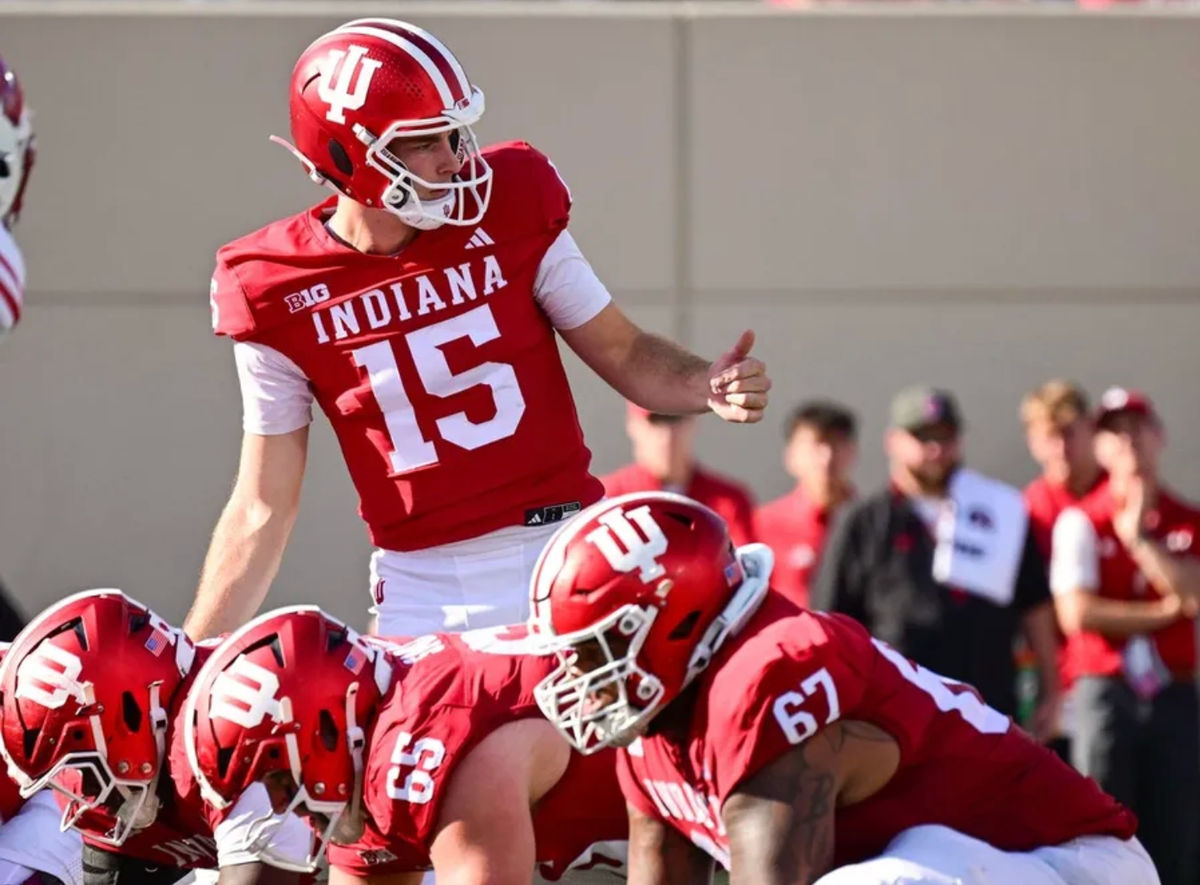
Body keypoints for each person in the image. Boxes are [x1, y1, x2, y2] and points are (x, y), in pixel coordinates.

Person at [188, 18, 770, 640]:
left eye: (454, 135)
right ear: (347, 156)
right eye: (425, 142)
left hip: (566, 552)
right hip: (423, 591)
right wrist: (192, 657)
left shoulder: (512, 207)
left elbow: (623, 351)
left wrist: (702, 382)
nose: (454, 159)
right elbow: (263, 505)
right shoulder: (276, 287)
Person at [527, 491, 1157, 885]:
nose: (581, 678)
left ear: (676, 620)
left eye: (594, 650)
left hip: (1070, 865)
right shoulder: (654, 723)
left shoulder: (768, 674)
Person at [183, 607, 627, 883]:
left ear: (327, 728)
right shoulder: (369, 738)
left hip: (686, 812)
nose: (279, 804)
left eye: (277, 777)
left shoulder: (434, 735)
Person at [0, 590, 312, 884]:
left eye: (83, 764)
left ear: (133, 719)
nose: (81, 789)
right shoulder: (93, 774)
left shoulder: (232, 739)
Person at [811, 385, 1061, 736]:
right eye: (923, 438)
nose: (936, 450)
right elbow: (831, 621)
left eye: (946, 437)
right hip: (896, 715)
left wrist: (1051, 690)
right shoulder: (863, 520)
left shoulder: (997, 509)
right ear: (893, 441)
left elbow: (1035, 604)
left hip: (988, 709)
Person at [1050, 387, 1200, 885]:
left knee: (1177, 829)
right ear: (1099, 446)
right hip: (1106, 689)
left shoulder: (1186, 519)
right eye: (1114, 430)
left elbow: (1194, 595)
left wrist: (1138, 540)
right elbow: (1078, 613)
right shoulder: (1080, 520)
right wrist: (1162, 612)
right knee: (1104, 825)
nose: (1128, 440)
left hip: (1173, 690)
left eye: (1138, 427)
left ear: (1159, 436)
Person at [602, 405, 755, 546]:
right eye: (656, 420)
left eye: (675, 418)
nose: (667, 435)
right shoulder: (607, 499)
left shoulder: (728, 501)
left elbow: (745, 568)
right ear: (632, 426)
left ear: (694, 421)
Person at [755, 400, 857, 607]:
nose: (826, 458)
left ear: (852, 452)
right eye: (816, 444)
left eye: (836, 444)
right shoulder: (763, 526)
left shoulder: (871, 524)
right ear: (791, 456)